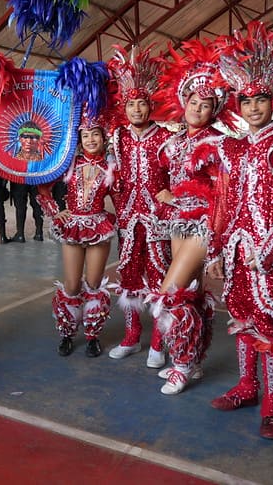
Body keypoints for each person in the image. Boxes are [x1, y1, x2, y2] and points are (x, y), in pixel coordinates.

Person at [207, 20, 273, 440]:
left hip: (269, 253)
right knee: (239, 315)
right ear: (238, 103)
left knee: (268, 324)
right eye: (246, 100)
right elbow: (221, 203)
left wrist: (269, 251)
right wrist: (216, 250)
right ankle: (247, 387)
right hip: (234, 249)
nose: (253, 107)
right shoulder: (231, 148)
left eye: (261, 100)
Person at [148, 39, 231, 394]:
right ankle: (193, 359)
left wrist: (217, 243)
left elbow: (222, 194)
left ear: (214, 109)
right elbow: (164, 180)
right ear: (184, 104)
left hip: (202, 225)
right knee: (193, 293)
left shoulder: (218, 143)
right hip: (176, 222)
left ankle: (180, 364)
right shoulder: (175, 141)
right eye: (194, 102)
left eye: (205, 104)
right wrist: (166, 195)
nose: (198, 108)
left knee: (172, 293)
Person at [106, 45, 171, 369]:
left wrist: (172, 197)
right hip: (127, 218)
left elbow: (179, 175)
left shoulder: (166, 138)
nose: (136, 109)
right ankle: (132, 336)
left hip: (158, 219)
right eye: (130, 104)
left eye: (141, 103)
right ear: (125, 107)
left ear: (150, 106)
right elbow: (109, 170)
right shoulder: (117, 136)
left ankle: (159, 341)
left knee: (159, 274)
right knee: (129, 273)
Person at [39, 115, 119, 357]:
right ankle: (67, 332)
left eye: (95, 134)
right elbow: (43, 186)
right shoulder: (69, 163)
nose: (91, 139)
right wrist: (55, 212)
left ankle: (93, 335)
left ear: (104, 138)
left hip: (98, 227)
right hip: (72, 226)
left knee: (94, 284)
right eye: (85, 135)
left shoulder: (111, 168)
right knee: (72, 285)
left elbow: (120, 199)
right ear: (79, 139)